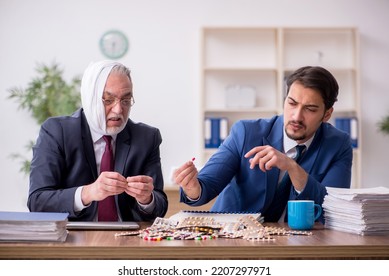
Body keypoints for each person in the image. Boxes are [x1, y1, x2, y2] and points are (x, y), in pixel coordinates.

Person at [174, 66, 352, 223]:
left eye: (310, 109)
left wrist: (293, 168)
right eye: (292, 103)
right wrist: (193, 188)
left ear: (327, 114)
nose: (296, 116)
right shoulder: (246, 132)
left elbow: (333, 210)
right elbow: (207, 185)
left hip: (296, 244)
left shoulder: (338, 144)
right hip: (234, 239)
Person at [28, 60, 168, 222]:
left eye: (125, 100)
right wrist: (88, 193)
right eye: (108, 100)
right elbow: (37, 202)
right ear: (90, 98)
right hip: (73, 239)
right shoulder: (57, 131)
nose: (118, 110)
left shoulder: (146, 137)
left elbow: (160, 207)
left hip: (128, 240)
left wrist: (146, 199)